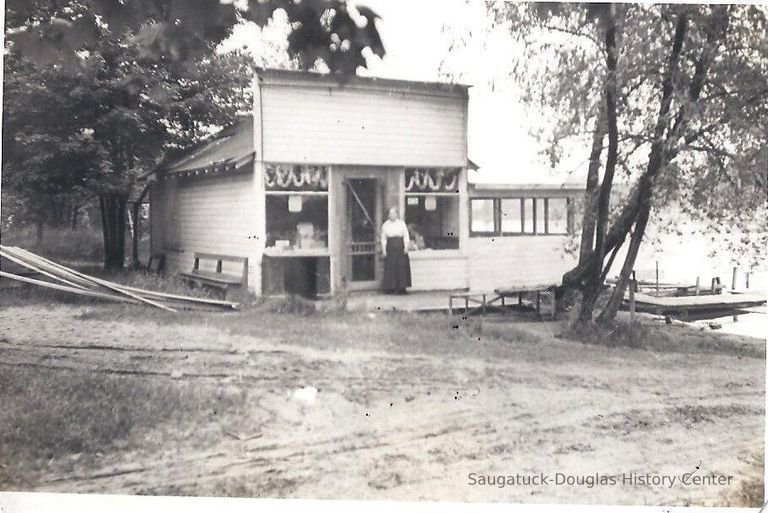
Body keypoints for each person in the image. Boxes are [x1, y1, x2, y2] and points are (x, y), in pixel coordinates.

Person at [381, 207, 411, 294]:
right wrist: (384, 250)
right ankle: (391, 288)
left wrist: (406, 247)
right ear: (388, 215)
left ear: (396, 215)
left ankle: (402, 288)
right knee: (391, 268)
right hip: (390, 248)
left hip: (400, 247)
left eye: (394, 213)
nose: (392, 215)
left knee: (401, 268)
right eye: (390, 214)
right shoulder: (385, 225)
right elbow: (383, 239)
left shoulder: (401, 224)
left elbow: (406, 236)